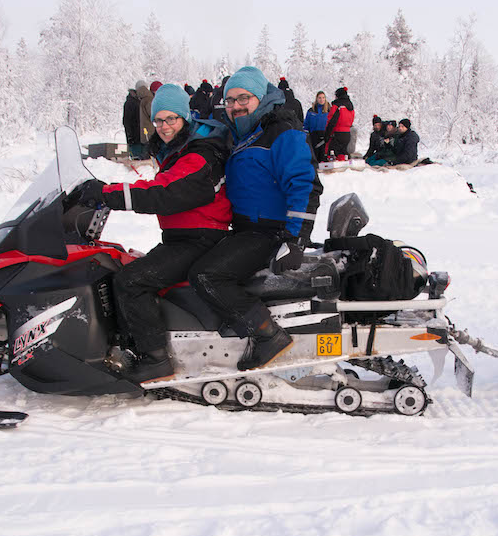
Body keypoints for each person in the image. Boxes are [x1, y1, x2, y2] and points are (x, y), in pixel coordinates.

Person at [81, 84, 233, 383]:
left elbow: (164, 193)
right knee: (122, 264)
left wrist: (107, 193)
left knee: (131, 280)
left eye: (171, 119)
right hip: (185, 236)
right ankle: (130, 344)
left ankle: (155, 359)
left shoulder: (199, 153)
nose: (163, 127)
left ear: (184, 118)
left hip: (200, 238)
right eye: (159, 120)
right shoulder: (177, 148)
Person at [189, 66, 322, 371]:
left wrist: (295, 239)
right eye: (230, 100)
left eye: (243, 98)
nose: (235, 106)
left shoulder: (282, 131)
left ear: (260, 97)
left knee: (206, 275)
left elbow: (305, 184)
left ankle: (268, 335)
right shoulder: (247, 133)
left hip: (270, 233)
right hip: (246, 229)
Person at [323, 87, 355, 159]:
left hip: (337, 133)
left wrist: (327, 134)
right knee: (343, 153)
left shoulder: (337, 106)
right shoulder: (350, 107)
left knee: (332, 153)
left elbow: (331, 121)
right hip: (347, 134)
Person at [303, 91, 330, 162]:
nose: (321, 100)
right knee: (314, 154)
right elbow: (306, 123)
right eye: (320, 98)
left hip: (325, 134)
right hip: (314, 135)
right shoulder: (311, 110)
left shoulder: (329, 110)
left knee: (323, 154)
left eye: (323, 98)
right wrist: (306, 132)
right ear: (317, 99)